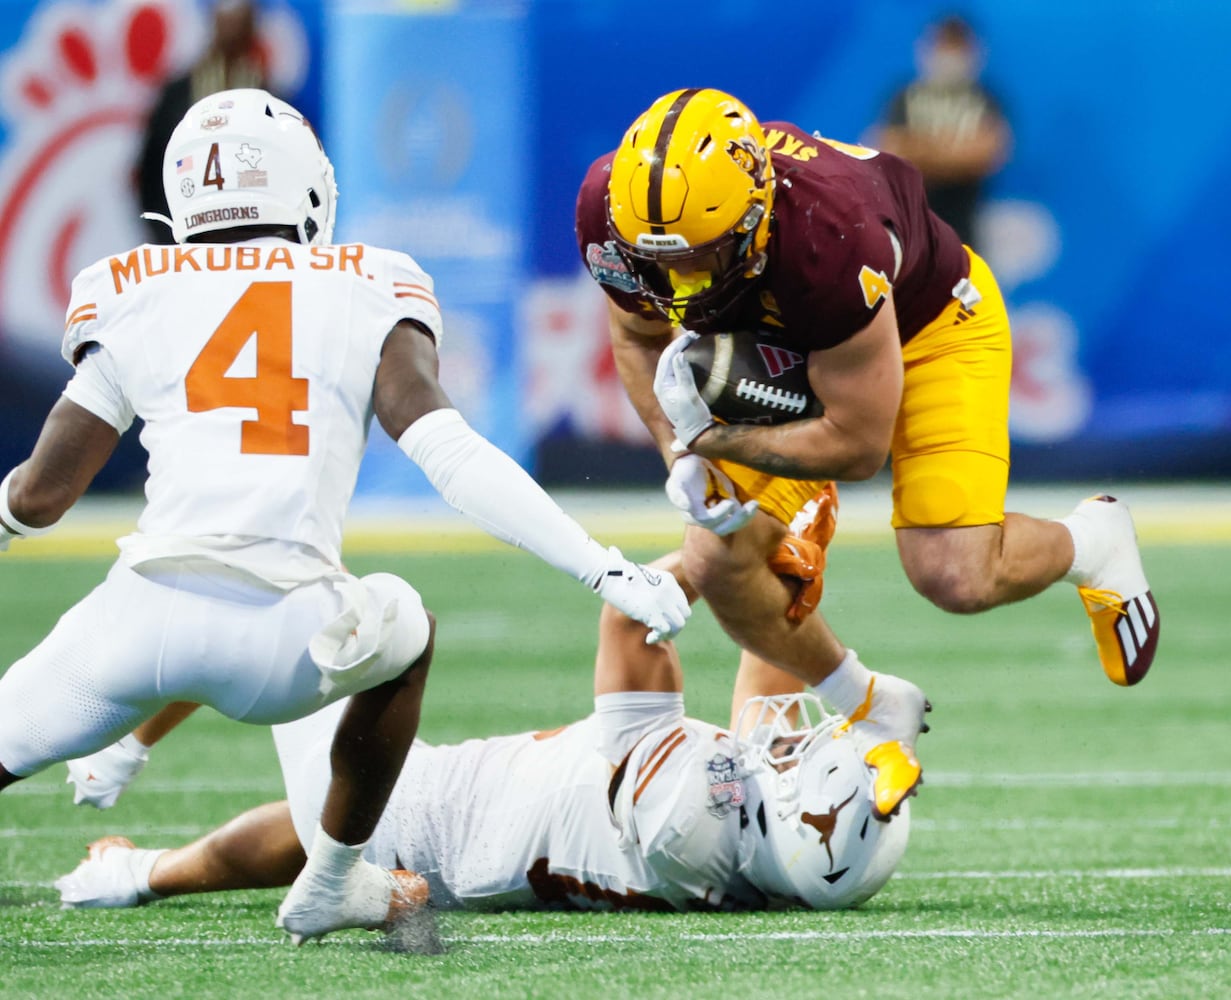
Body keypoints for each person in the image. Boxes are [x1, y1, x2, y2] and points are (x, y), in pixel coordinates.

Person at [0, 87, 689, 943]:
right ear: (305, 190)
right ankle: (330, 879)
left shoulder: (132, 286)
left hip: (130, 625)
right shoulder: (369, 282)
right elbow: (450, 453)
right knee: (399, 625)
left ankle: (258, 836)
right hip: (288, 640)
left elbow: (38, 496)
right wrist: (603, 566)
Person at [575, 88, 1160, 815]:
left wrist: (712, 437)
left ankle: (1092, 542)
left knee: (953, 574)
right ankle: (868, 703)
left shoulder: (830, 234)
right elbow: (637, 333)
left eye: (702, 259)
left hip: (931, 323)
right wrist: (679, 454)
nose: (682, 287)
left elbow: (856, 446)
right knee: (716, 556)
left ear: (755, 214)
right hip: (783, 334)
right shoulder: (616, 208)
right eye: (663, 265)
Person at [54, 546, 911, 915]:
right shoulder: (758, 853)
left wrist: (729, 546)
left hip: (418, 816)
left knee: (297, 594)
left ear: (791, 813)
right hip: (442, 849)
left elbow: (630, 618)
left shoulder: (689, 799)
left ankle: (117, 743)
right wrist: (790, 568)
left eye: (810, 755)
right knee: (313, 832)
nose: (802, 738)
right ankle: (129, 876)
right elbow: (766, 684)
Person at [872, 14, 1011, 248]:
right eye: (944, 44)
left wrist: (920, 149)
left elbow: (988, 153)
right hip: (909, 231)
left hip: (964, 232)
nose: (949, 55)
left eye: (956, 46)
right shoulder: (905, 97)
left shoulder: (986, 99)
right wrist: (954, 149)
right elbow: (886, 150)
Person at [137, 1, 270, 245]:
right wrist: (166, 235)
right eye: (226, 22)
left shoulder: (267, 97)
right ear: (214, 25)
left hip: (248, 239)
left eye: (240, 24)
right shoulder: (178, 95)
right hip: (184, 237)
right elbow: (149, 170)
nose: (232, 33)